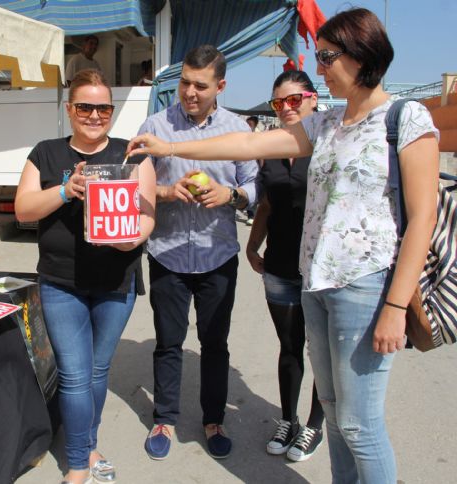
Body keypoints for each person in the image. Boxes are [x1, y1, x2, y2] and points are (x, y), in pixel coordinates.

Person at [127, 8, 439, 483]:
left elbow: (423, 218)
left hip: (365, 286)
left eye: (328, 57)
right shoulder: (327, 124)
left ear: (362, 56)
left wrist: (396, 303)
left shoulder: (405, 117)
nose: (320, 68)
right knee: (334, 414)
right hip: (316, 284)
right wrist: (169, 149)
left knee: (360, 422)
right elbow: (249, 147)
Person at [15, 68, 156, 484]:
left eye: (103, 107)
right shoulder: (46, 153)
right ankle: (78, 463)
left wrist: (130, 241)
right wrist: (64, 191)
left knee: (97, 371)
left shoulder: (131, 155)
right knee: (75, 374)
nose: (95, 115)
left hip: (116, 282)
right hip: (60, 281)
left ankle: (88, 443)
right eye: (85, 107)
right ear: (69, 109)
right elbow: (23, 210)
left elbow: (147, 216)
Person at [138, 45, 258, 461]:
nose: (189, 92)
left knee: (215, 344)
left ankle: (213, 419)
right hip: (167, 252)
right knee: (168, 342)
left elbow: (255, 186)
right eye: (184, 82)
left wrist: (232, 194)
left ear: (220, 86)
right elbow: (132, 184)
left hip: (217, 257)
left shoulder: (238, 129)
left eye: (200, 86)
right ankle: (164, 418)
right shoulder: (156, 125)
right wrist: (167, 191)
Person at [246, 70, 324, 462]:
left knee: (321, 350)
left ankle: (314, 425)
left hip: (322, 269)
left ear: (313, 99)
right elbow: (266, 204)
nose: (287, 108)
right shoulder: (272, 148)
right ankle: (288, 419)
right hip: (278, 264)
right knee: (290, 347)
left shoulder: (328, 143)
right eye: (280, 102)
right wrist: (253, 244)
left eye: (295, 99)